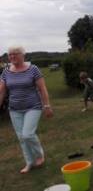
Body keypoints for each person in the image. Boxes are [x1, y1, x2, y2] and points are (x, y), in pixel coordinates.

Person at [0, 45, 53, 174]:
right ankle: (29, 162)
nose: (12, 56)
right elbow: (1, 91)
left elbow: (42, 89)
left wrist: (47, 106)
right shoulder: (6, 71)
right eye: (10, 54)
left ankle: (39, 154)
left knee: (28, 134)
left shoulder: (33, 69)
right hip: (14, 109)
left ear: (23, 55)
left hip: (33, 107)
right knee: (21, 138)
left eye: (15, 53)